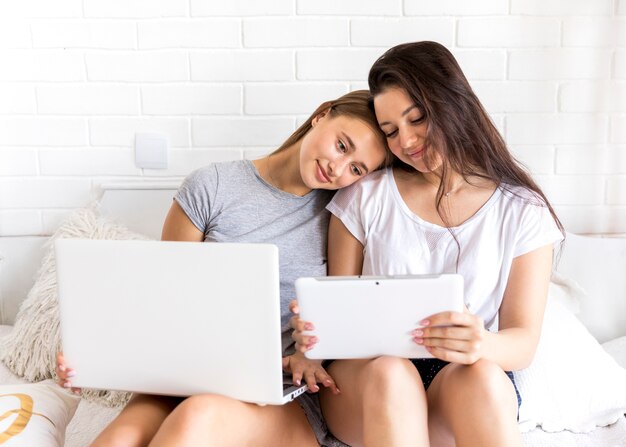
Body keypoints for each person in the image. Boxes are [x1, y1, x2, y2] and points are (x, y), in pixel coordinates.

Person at [56, 89, 391, 447]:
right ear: (322, 115)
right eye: (342, 145)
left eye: (357, 169)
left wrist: (309, 353)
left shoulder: (342, 217)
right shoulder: (211, 186)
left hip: (275, 392)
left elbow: (346, 312)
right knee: (117, 441)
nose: (337, 169)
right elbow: (160, 299)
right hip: (184, 374)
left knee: (198, 417)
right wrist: (97, 360)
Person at [291, 41, 565, 447]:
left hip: (458, 380)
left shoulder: (522, 210)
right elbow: (338, 307)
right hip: (368, 380)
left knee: (485, 376)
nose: (407, 141)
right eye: (391, 132)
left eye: (416, 119)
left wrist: (481, 343)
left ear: (453, 103)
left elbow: (522, 343)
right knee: (391, 373)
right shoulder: (365, 195)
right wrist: (315, 332)